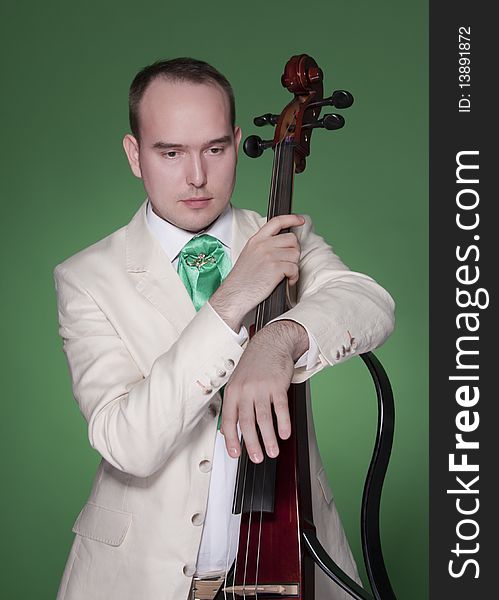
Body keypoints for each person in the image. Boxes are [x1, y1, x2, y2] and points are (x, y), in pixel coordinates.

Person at [53, 57, 395, 600]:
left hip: (294, 570)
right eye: (170, 153)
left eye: (215, 149)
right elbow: (128, 442)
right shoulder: (86, 278)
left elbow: (369, 303)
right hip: (136, 580)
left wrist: (278, 341)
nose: (197, 177)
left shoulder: (278, 236)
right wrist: (234, 296)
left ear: (239, 141)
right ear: (133, 154)